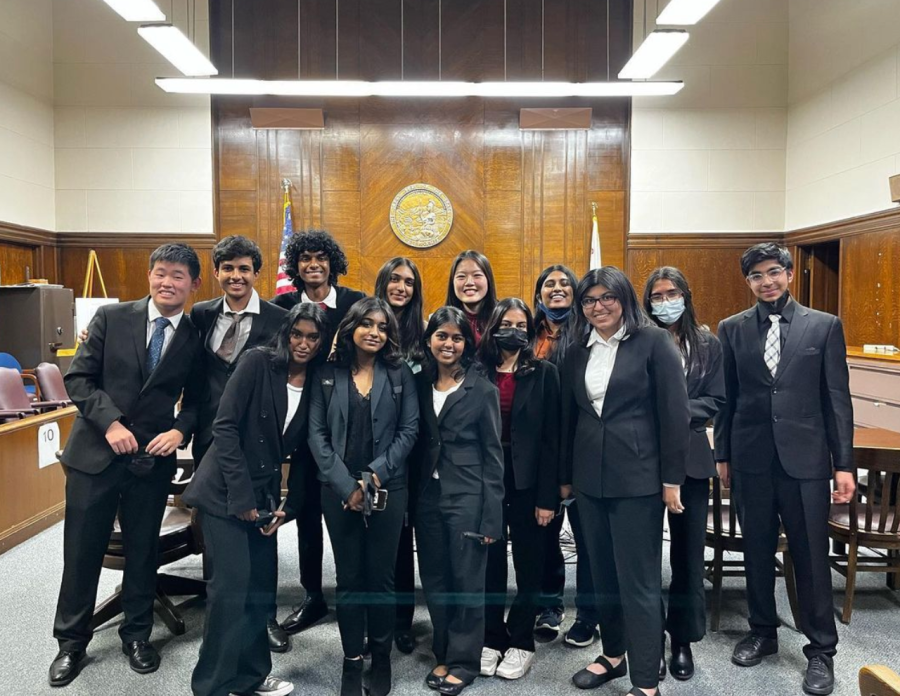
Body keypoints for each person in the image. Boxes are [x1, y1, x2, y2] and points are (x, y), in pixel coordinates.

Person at [49, 244, 205, 687]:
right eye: (159, 273)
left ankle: (137, 635)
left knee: (141, 551)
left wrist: (180, 430)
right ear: (149, 276)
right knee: (81, 551)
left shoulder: (194, 335)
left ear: (193, 284)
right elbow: (78, 377)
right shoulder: (111, 318)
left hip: (151, 460)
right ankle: (71, 643)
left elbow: (196, 399)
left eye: (177, 275)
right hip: (95, 455)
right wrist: (111, 422)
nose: (166, 282)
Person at [714, 243, 855, 696]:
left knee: (811, 555)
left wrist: (844, 464)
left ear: (790, 274)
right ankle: (762, 632)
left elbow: (837, 400)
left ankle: (821, 650)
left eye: (774, 272)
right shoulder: (731, 329)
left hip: (806, 462)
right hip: (752, 459)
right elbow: (727, 397)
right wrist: (723, 454)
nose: (766, 281)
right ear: (748, 282)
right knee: (755, 550)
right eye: (756, 276)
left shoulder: (825, 326)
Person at [183, 302, 327, 696]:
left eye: (313, 337)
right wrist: (242, 497)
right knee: (230, 593)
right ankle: (211, 685)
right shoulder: (258, 362)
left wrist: (288, 505)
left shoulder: (317, 379)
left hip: (263, 498)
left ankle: (249, 677)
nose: (303, 343)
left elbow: (306, 451)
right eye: (297, 333)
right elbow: (224, 428)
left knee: (260, 593)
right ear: (286, 333)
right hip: (224, 492)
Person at [561, 267, 689, 696]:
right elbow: (572, 417)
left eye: (607, 298)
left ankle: (647, 681)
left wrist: (672, 479)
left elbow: (675, 415)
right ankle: (614, 655)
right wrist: (566, 478)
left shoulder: (653, 342)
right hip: (590, 482)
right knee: (601, 575)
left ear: (625, 299)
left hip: (638, 481)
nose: (598, 307)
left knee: (638, 581)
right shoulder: (577, 349)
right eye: (590, 300)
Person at [308, 297, 420, 696]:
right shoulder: (326, 373)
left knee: (382, 578)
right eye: (367, 324)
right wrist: (347, 485)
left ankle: (382, 657)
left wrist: (372, 477)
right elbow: (316, 437)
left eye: (383, 326)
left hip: (389, 489)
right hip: (337, 491)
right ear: (351, 327)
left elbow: (409, 432)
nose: (375, 332)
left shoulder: (400, 373)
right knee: (350, 578)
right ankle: (352, 659)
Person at [189, 236, 290, 652]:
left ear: (256, 273)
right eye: (228, 268)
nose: (236, 276)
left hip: (257, 444)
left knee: (260, 534)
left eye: (244, 268)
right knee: (217, 529)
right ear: (216, 273)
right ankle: (222, 612)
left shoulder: (278, 318)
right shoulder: (199, 315)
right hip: (210, 439)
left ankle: (264, 616)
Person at [274, 229, 366, 636]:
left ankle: (359, 594)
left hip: (348, 424)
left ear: (333, 262)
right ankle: (313, 596)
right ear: (295, 266)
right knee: (306, 514)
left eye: (320, 258)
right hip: (300, 426)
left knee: (352, 509)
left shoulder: (354, 304)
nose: (313, 265)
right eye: (305, 258)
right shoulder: (281, 307)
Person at [414, 307, 504, 695]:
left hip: (469, 494)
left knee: (467, 580)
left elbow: (493, 455)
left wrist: (491, 518)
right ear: (429, 339)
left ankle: (465, 660)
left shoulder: (481, 388)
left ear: (466, 344)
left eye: (456, 337)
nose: (448, 344)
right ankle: (444, 651)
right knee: (435, 577)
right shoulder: (418, 384)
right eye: (441, 336)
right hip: (427, 496)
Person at [642, 266, 725, 681]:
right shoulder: (637, 341)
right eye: (656, 295)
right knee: (643, 560)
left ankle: (682, 641)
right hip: (641, 462)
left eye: (671, 293)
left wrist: (672, 412)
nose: (664, 301)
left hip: (691, 462)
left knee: (688, 557)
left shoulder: (707, 344)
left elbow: (715, 400)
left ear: (686, 295)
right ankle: (647, 641)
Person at [477, 298, 560, 680]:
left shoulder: (544, 373)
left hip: (529, 482)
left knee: (530, 564)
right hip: (486, 480)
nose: (514, 330)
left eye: (521, 325)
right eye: (506, 323)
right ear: (493, 326)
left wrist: (547, 499)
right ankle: (491, 635)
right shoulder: (476, 370)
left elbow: (551, 441)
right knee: (489, 563)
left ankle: (521, 640)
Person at [531, 264, 600, 648]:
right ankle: (549, 606)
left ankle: (589, 614)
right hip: (539, 450)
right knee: (545, 535)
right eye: (548, 284)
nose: (556, 290)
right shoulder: (527, 332)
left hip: (580, 448)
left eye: (563, 284)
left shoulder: (589, 335)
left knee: (588, 539)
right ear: (538, 293)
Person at [373, 257, 426, 655]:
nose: (401, 287)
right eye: (394, 279)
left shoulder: (422, 335)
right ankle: (371, 616)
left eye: (409, 282)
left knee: (400, 538)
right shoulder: (364, 324)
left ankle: (401, 620)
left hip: (410, 450)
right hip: (366, 447)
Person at [444, 250, 497, 345]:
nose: (469, 282)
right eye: (461, 276)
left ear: (488, 280)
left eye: (477, 275)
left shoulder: (502, 318)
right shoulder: (442, 320)